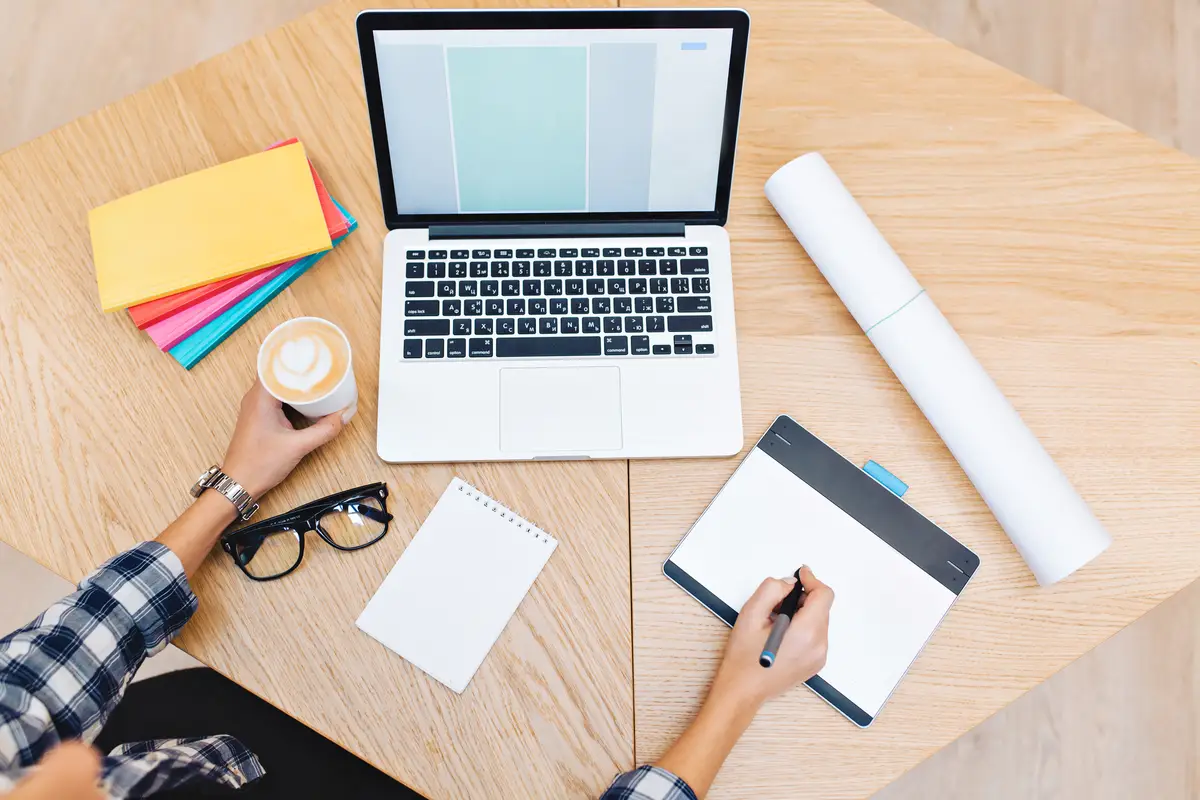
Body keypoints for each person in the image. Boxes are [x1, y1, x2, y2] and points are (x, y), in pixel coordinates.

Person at [0, 382, 833, 799]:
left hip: (215, 739)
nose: (77, 754)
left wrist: (235, 487)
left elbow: (56, 664)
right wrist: (738, 696)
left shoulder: (34, 765)